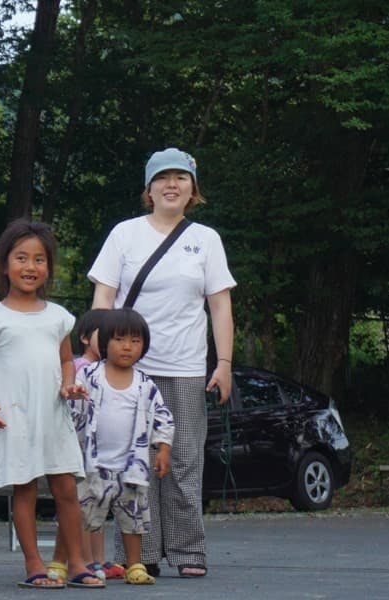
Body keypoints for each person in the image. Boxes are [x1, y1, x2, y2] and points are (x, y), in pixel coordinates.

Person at [88, 147, 235, 578]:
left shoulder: (206, 239)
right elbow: (103, 298)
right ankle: (140, 553)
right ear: (148, 189)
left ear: (193, 190)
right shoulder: (124, 234)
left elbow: (220, 306)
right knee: (133, 461)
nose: (172, 185)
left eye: (181, 178)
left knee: (184, 460)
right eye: (162, 178)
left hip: (186, 367)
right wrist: (95, 352)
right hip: (128, 368)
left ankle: (189, 551)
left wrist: (224, 363)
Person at [0, 220, 103, 590]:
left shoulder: (58, 316)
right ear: (4, 265)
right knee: (24, 491)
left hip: (53, 417)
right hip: (14, 417)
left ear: (48, 268)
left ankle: (76, 563)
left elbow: (66, 361)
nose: (30, 266)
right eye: (21, 258)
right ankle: (33, 564)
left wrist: (69, 384)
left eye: (39, 259)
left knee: (67, 491)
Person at [72, 308, 174, 585]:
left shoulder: (145, 384)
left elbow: (163, 417)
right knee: (85, 515)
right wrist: (72, 397)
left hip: (131, 468)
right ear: (105, 342)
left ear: (144, 346)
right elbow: (72, 410)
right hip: (92, 465)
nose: (127, 346)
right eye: (119, 339)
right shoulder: (89, 375)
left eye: (135, 341)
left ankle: (135, 564)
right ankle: (83, 563)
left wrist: (163, 449)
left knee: (133, 517)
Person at [48, 308, 115, 582]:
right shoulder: (78, 368)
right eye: (105, 335)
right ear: (85, 337)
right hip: (78, 444)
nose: (111, 341)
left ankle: (99, 559)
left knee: (97, 503)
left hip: (98, 447)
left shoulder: (109, 369)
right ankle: (85, 560)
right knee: (80, 503)